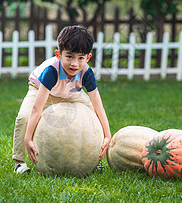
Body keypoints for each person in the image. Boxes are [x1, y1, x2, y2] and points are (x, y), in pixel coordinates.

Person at [13, 25, 111, 174]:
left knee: (92, 114)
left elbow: (99, 107)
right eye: (69, 56)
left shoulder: (86, 73)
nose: (74, 63)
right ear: (59, 55)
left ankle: (95, 160)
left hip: (70, 92)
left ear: (88, 58)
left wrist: (107, 135)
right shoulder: (51, 71)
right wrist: (28, 138)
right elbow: (36, 109)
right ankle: (19, 162)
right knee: (23, 117)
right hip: (41, 89)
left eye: (81, 58)